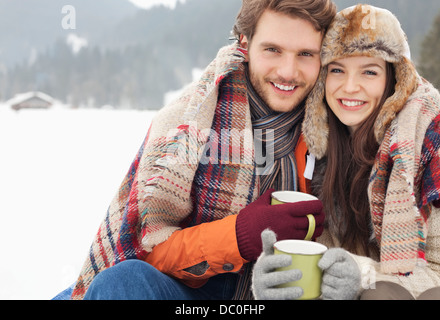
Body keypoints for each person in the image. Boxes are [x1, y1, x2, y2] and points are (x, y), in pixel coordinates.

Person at [66, 0, 337, 300]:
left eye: (305, 54)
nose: (288, 71)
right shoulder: (186, 123)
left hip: (290, 289)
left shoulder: (332, 125)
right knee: (120, 284)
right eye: (272, 49)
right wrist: (239, 235)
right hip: (193, 290)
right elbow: (145, 252)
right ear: (245, 43)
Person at [252, 4, 440, 300]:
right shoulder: (316, 151)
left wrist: (361, 274)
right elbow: (319, 260)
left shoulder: (429, 144)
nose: (350, 87)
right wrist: (274, 279)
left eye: (369, 72)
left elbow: (436, 271)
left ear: (394, 80)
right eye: (337, 70)